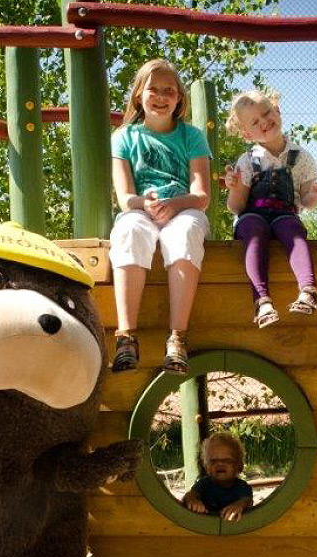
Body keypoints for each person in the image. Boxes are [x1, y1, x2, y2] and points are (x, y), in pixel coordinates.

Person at [109, 59, 211, 374]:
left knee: (183, 234)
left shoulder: (191, 136)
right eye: (154, 89)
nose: (161, 96)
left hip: (182, 208)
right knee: (129, 232)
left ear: (179, 98)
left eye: (170, 90)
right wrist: (145, 202)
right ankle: (126, 336)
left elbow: (202, 195)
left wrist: (176, 203)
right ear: (139, 94)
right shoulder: (124, 137)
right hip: (143, 209)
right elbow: (126, 198)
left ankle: (177, 337)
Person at [223, 90, 317, 328]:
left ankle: (308, 289)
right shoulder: (247, 161)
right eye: (255, 121)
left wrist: (315, 195)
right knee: (253, 230)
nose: (264, 121)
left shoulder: (300, 157)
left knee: (294, 229)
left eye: (266, 113)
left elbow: (305, 200)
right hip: (254, 213)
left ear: (277, 111)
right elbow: (236, 207)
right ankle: (262, 301)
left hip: (284, 212)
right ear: (246, 133)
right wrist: (234, 187)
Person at [182, 432, 254, 522]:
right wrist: (192, 501)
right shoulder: (204, 484)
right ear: (206, 467)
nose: (220, 464)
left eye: (227, 460)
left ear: (239, 466)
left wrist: (239, 506)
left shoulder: (242, 487)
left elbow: (247, 501)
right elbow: (190, 495)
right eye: (213, 461)